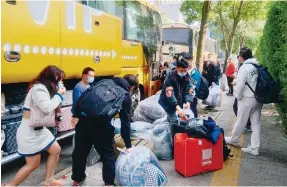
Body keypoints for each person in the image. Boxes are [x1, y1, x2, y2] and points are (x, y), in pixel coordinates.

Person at [71, 74, 139, 186]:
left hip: (84, 122)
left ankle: (77, 180)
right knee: (108, 155)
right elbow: (125, 122)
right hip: (102, 127)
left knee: (80, 152)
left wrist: (76, 114)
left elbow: (84, 95)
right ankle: (108, 183)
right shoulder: (125, 96)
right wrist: (128, 144)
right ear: (132, 87)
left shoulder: (105, 81)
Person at [7, 66, 66, 187]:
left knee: (55, 149)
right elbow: (47, 108)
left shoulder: (45, 89)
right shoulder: (38, 89)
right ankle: (10, 185)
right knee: (33, 164)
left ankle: (49, 180)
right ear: (50, 77)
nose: (59, 81)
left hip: (40, 129)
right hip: (29, 131)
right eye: (58, 79)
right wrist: (59, 94)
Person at [225, 47, 263, 156]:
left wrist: (238, 96)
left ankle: (234, 139)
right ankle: (255, 148)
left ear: (241, 57)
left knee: (241, 120)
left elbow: (240, 86)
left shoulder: (244, 67)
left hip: (247, 98)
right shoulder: (258, 66)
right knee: (256, 123)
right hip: (258, 99)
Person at [158, 58, 194, 143]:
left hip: (179, 100)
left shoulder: (187, 77)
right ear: (177, 68)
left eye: (185, 70)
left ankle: (176, 138)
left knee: (180, 119)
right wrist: (177, 107)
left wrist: (188, 102)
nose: (183, 73)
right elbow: (170, 94)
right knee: (173, 119)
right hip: (168, 102)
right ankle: (173, 144)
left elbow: (190, 90)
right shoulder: (170, 77)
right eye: (181, 70)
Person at [233, 56, 252, 132]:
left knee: (237, 107)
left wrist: (236, 82)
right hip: (247, 92)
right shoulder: (249, 66)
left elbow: (243, 81)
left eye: (239, 57)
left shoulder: (245, 67)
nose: (238, 59)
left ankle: (244, 125)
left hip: (244, 92)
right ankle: (246, 124)